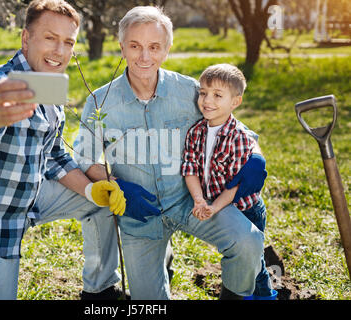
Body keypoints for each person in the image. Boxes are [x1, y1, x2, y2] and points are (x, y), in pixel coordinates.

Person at [0, 0, 153, 300]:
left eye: (68, 42)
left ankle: (100, 290)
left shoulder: (48, 85)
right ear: (25, 38)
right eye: (50, 38)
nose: (60, 51)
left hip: (30, 199)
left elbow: (55, 155)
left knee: (100, 202)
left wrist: (90, 191)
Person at [73, 6, 267, 300]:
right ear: (122, 46)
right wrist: (117, 186)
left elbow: (238, 129)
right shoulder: (100, 102)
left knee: (248, 242)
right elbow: (85, 159)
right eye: (135, 46)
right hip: (140, 217)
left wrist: (256, 156)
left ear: (167, 49)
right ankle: (160, 262)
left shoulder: (189, 91)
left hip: (191, 201)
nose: (144, 57)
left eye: (154, 47)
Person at [182, 63, 276, 299]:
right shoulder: (196, 131)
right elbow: (190, 169)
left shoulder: (240, 138)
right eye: (203, 93)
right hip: (214, 201)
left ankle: (265, 295)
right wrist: (199, 200)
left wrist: (214, 207)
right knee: (246, 260)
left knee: (254, 263)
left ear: (235, 102)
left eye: (217, 95)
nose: (207, 100)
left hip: (246, 208)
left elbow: (235, 186)